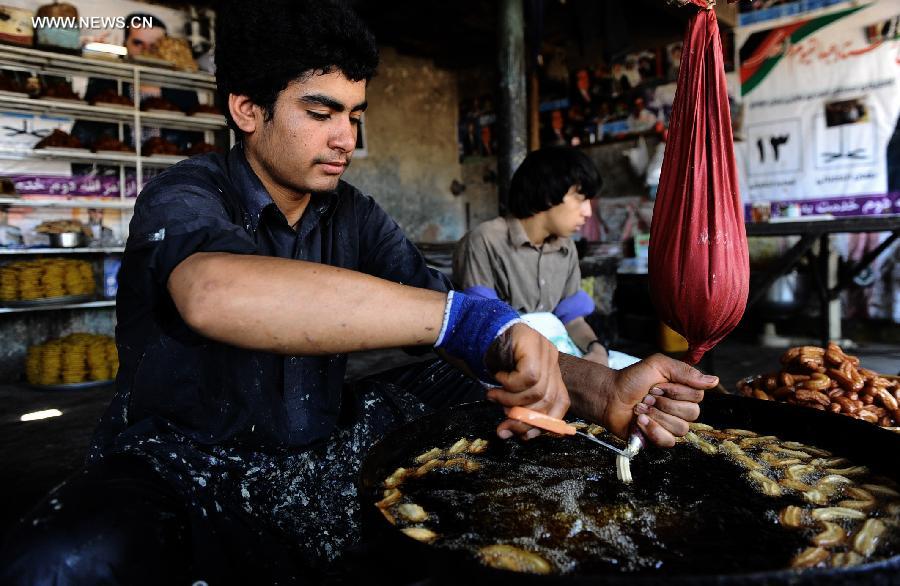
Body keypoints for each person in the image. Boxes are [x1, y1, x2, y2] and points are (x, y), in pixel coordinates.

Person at [1, 2, 718, 584]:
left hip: (312, 451)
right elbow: (216, 293)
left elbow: (459, 332)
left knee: (468, 390)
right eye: (321, 112)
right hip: (180, 463)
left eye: (354, 114)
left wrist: (601, 388)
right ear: (247, 110)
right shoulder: (187, 193)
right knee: (59, 559)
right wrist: (460, 320)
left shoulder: (353, 212)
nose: (345, 137)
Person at [454, 146, 637, 369]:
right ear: (549, 194)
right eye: (581, 198)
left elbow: (572, 319)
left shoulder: (566, 247)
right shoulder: (484, 240)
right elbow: (483, 324)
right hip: (508, 363)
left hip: (555, 356)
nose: (588, 212)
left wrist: (597, 350)